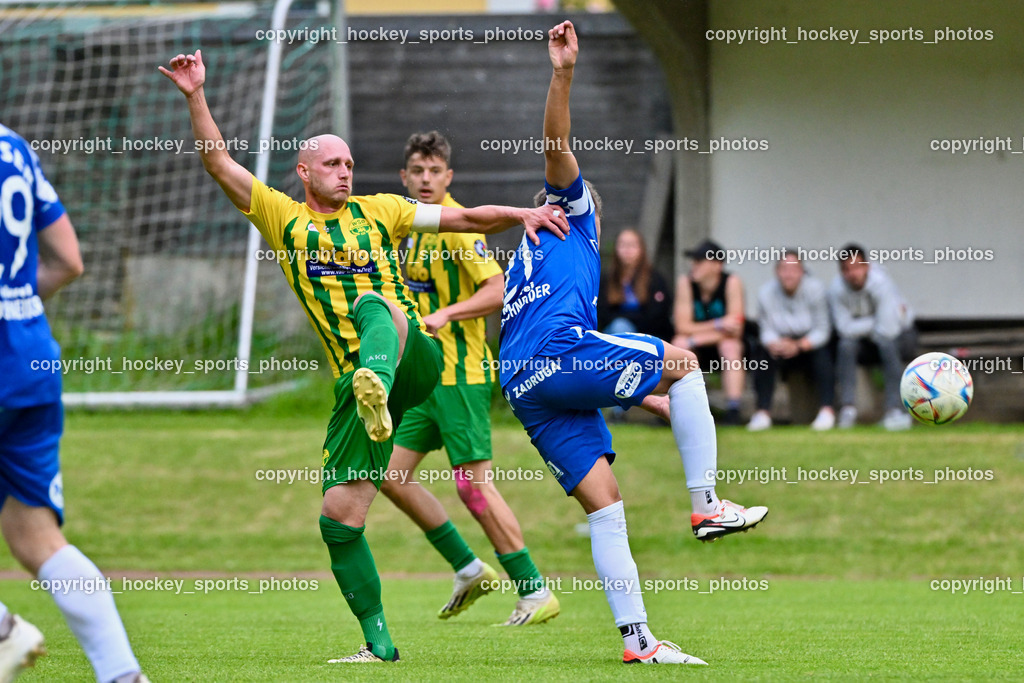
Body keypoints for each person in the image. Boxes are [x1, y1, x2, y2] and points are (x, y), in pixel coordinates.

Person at [161, 52, 568, 664]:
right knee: (338, 517)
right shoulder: (283, 218)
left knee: (378, 300)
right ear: (304, 172)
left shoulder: (383, 211)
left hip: (417, 354)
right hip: (361, 387)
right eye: (333, 163)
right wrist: (195, 93)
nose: (346, 171)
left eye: (351, 162)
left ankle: (376, 380)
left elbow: (465, 217)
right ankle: (378, 643)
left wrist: (522, 213)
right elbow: (218, 162)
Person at [500, 21, 767, 666]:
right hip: (559, 358)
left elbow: (586, 371)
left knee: (606, 508)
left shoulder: (526, 257)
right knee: (685, 362)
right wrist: (563, 71)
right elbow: (556, 144)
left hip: (527, 387)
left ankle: (639, 644)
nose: (573, 190)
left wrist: (656, 403)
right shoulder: (576, 219)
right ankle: (707, 507)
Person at [379, 131, 559, 626]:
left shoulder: (457, 230)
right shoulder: (410, 230)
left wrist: (446, 315)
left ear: (448, 177)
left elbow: (498, 290)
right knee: (389, 475)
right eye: (417, 171)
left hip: (462, 376)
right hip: (425, 381)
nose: (425, 179)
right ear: (404, 177)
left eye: (435, 171)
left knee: (472, 486)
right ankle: (468, 567)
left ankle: (535, 590)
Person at [0, 124, 149, 683]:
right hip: (31, 358)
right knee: (36, 537)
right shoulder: (14, 147)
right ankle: (123, 675)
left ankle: (5, 632)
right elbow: (68, 261)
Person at [828, 244, 916, 431]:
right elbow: (843, 329)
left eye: (857, 267)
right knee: (845, 346)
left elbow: (888, 330)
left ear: (867, 266)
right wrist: (875, 321)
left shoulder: (882, 283)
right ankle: (848, 409)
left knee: (887, 344)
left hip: (901, 336)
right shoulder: (836, 289)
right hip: (865, 341)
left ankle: (895, 410)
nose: (852, 274)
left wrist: (862, 324)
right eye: (846, 269)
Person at [748, 249, 835, 431]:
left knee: (824, 352)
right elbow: (765, 331)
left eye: (793, 269)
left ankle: (827, 411)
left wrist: (799, 345)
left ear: (802, 271)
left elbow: (822, 330)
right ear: (777, 272)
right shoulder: (766, 293)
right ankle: (763, 413)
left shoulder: (816, 289)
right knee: (761, 354)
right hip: (780, 347)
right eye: (784, 269)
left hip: (808, 346)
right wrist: (777, 344)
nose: (789, 274)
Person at [672, 240, 746, 425]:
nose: (693, 266)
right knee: (678, 343)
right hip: (696, 345)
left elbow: (736, 329)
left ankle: (733, 409)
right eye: (693, 261)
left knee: (731, 347)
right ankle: (675, 408)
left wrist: (697, 337)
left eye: (700, 261)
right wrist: (720, 323)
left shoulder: (731, 282)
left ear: (717, 265)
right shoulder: (685, 283)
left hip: (720, 343)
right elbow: (682, 326)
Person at [597, 228, 673, 340]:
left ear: (641, 249)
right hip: (616, 334)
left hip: (650, 336)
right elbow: (602, 313)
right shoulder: (607, 280)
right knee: (619, 326)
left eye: (632, 245)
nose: (627, 249)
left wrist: (628, 320)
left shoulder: (655, 279)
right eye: (623, 245)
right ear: (616, 249)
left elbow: (658, 315)